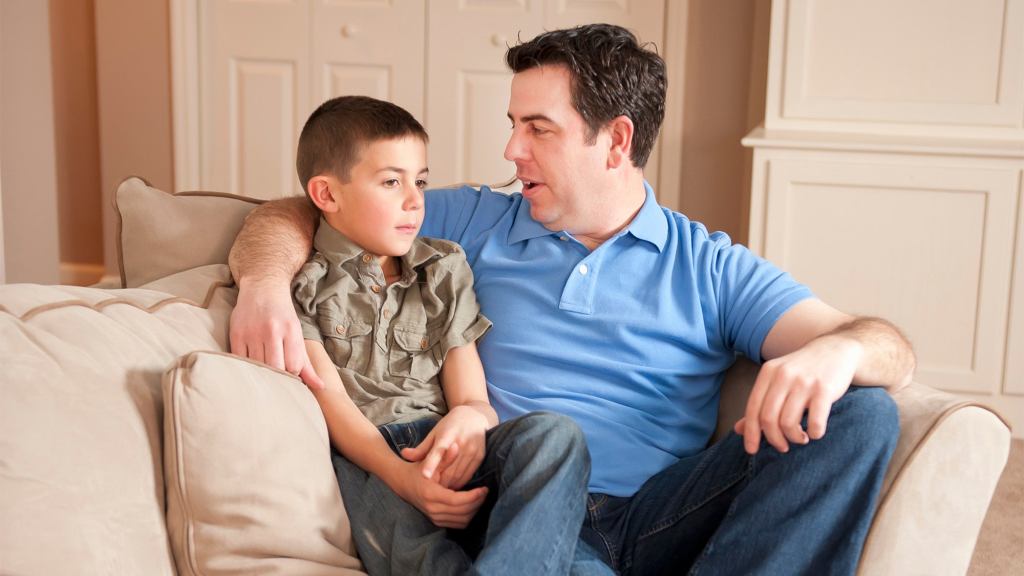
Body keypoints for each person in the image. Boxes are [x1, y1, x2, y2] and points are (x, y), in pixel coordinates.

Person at [229, 24, 916, 575]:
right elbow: (308, 210)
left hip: (655, 516)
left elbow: (888, 345)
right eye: (514, 123)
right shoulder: (474, 221)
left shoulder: (709, 266)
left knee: (862, 415)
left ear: (615, 140)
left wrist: (841, 348)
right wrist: (263, 285)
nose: (511, 148)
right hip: (515, 503)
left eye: (538, 128)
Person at [287, 94, 594, 575]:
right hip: (370, 460)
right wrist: (404, 479)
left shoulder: (443, 267)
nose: (415, 201)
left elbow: (471, 395)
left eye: (421, 182)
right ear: (326, 195)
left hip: (449, 446)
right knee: (419, 553)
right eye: (391, 182)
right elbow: (335, 407)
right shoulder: (303, 283)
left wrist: (471, 421)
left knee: (555, 435)